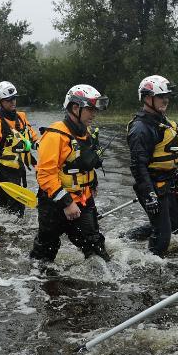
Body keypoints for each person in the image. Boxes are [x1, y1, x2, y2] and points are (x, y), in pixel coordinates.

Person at [29, 84, 111, 265]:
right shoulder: (54, 135)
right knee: (44, 255)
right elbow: (44, 175)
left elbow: (84, 164)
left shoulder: (86, 133)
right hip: (54, 205)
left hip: (83, 202)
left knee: (97, 251)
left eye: (94, 109)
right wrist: (67, 202)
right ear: (75, 108)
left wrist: (93, 183)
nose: (94, 113)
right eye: (90, 109)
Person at [126, 75, 178, 257]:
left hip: (168, 183)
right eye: (161, 96)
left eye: (167, 96)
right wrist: (150, 194)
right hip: (152, 186)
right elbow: (138, 167)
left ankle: (126, 239)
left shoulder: (165, 123)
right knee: (163, 237)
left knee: (174, 225)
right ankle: (152, 266)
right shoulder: (140, 128)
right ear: (147, 98)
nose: (165, 100)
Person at [0, 81, 38, 217]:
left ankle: (2, 228)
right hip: (2, 170)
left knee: (7, 205)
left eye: (14, 98)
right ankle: (12, 232)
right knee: (17, 208)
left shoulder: (21, 117)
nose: (13, 102)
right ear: (0, 102)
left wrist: (41, 144)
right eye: (8, 100)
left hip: (18, 168)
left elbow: (32, 138)